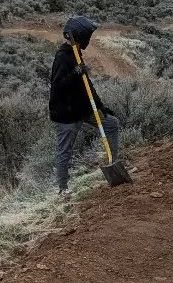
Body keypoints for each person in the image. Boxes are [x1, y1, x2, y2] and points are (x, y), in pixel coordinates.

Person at [48, 15, 121, 194]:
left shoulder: (76, 53)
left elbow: (86, 85)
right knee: (65, 150)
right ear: (81, 36)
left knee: (111, 124)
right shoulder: (63, 57)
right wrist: (75, 73)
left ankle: (114, 165)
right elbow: (58, 87)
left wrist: (100, 106)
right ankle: (62, 190)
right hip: (66, 114)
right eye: (88, 35)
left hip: (83, 109)